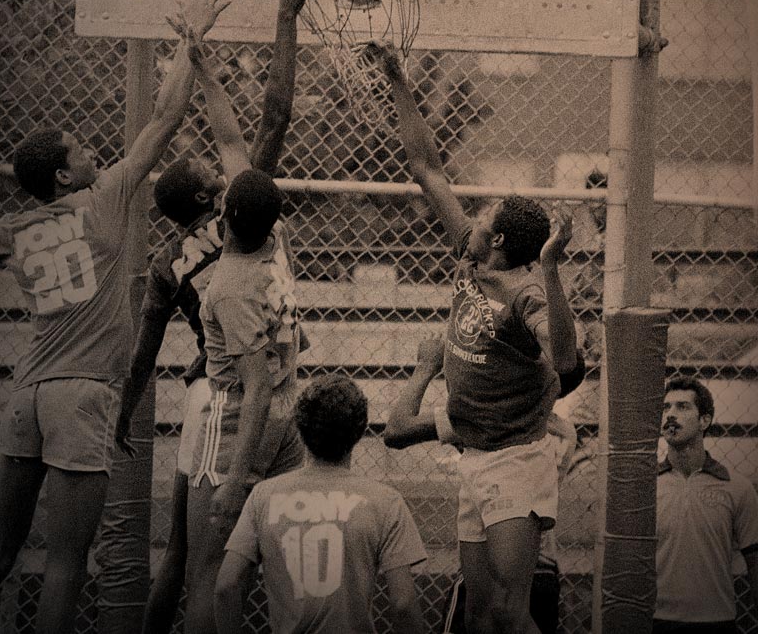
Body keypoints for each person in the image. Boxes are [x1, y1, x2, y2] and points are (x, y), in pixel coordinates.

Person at [0, 0, 229, 634]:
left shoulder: (14, 229)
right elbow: (164, 120)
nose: (93, 153)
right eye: (80, 149)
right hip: (80, 396)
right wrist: (188, 43)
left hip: (26, 392)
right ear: (63, 175)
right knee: (64, 563)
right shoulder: (106, 196)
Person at [112, 0, 318, 634]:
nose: (213, 162)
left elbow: (144, 353)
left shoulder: (170, 264)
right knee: (209, 556)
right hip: (252, 393)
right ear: (213, 198)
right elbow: (238, 130)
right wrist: (205, 67)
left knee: (187, 555)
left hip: (221, 397)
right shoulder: (264, 227)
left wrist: (125, 409)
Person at [370, 42, 579, 634]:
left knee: (512, 612)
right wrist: (397, 79)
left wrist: (554, 268)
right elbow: (426, 168)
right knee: (482, 615)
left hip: (516, 457)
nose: (472, 223)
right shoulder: (470, 261)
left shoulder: (526, 293)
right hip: (473, 452)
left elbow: (565, 358)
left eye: (482, 223)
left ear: (503, 245)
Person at [180, 0, 320, 634]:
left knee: (208, 572)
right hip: (290, 422)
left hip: (241, 425)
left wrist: (234, 478)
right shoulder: (275, 238)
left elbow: (256, 385)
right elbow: (243, 130)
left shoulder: (231, 284)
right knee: (279, 567)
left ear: (224, 217)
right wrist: (207, 69)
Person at [384, 335, 586, 634]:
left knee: (500, 613)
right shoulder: (560, 431)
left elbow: (398, 429)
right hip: (530, 558)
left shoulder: (500, 415)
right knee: (482, 618)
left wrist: (427, 366)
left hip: (511, 557)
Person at [214, 374, 427, 634]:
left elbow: (226, 586)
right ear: (360, 430)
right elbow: (404, 604)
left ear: (300, 428)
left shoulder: (264, 496)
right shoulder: (384, 500)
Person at [654, 375, 758, 634]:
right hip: (655, 621)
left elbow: (757, 563)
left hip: (716, 622)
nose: (670, 415)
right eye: (666, 407)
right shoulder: (646, 489)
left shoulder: (735, 487)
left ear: (704, 421)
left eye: (682, 407)